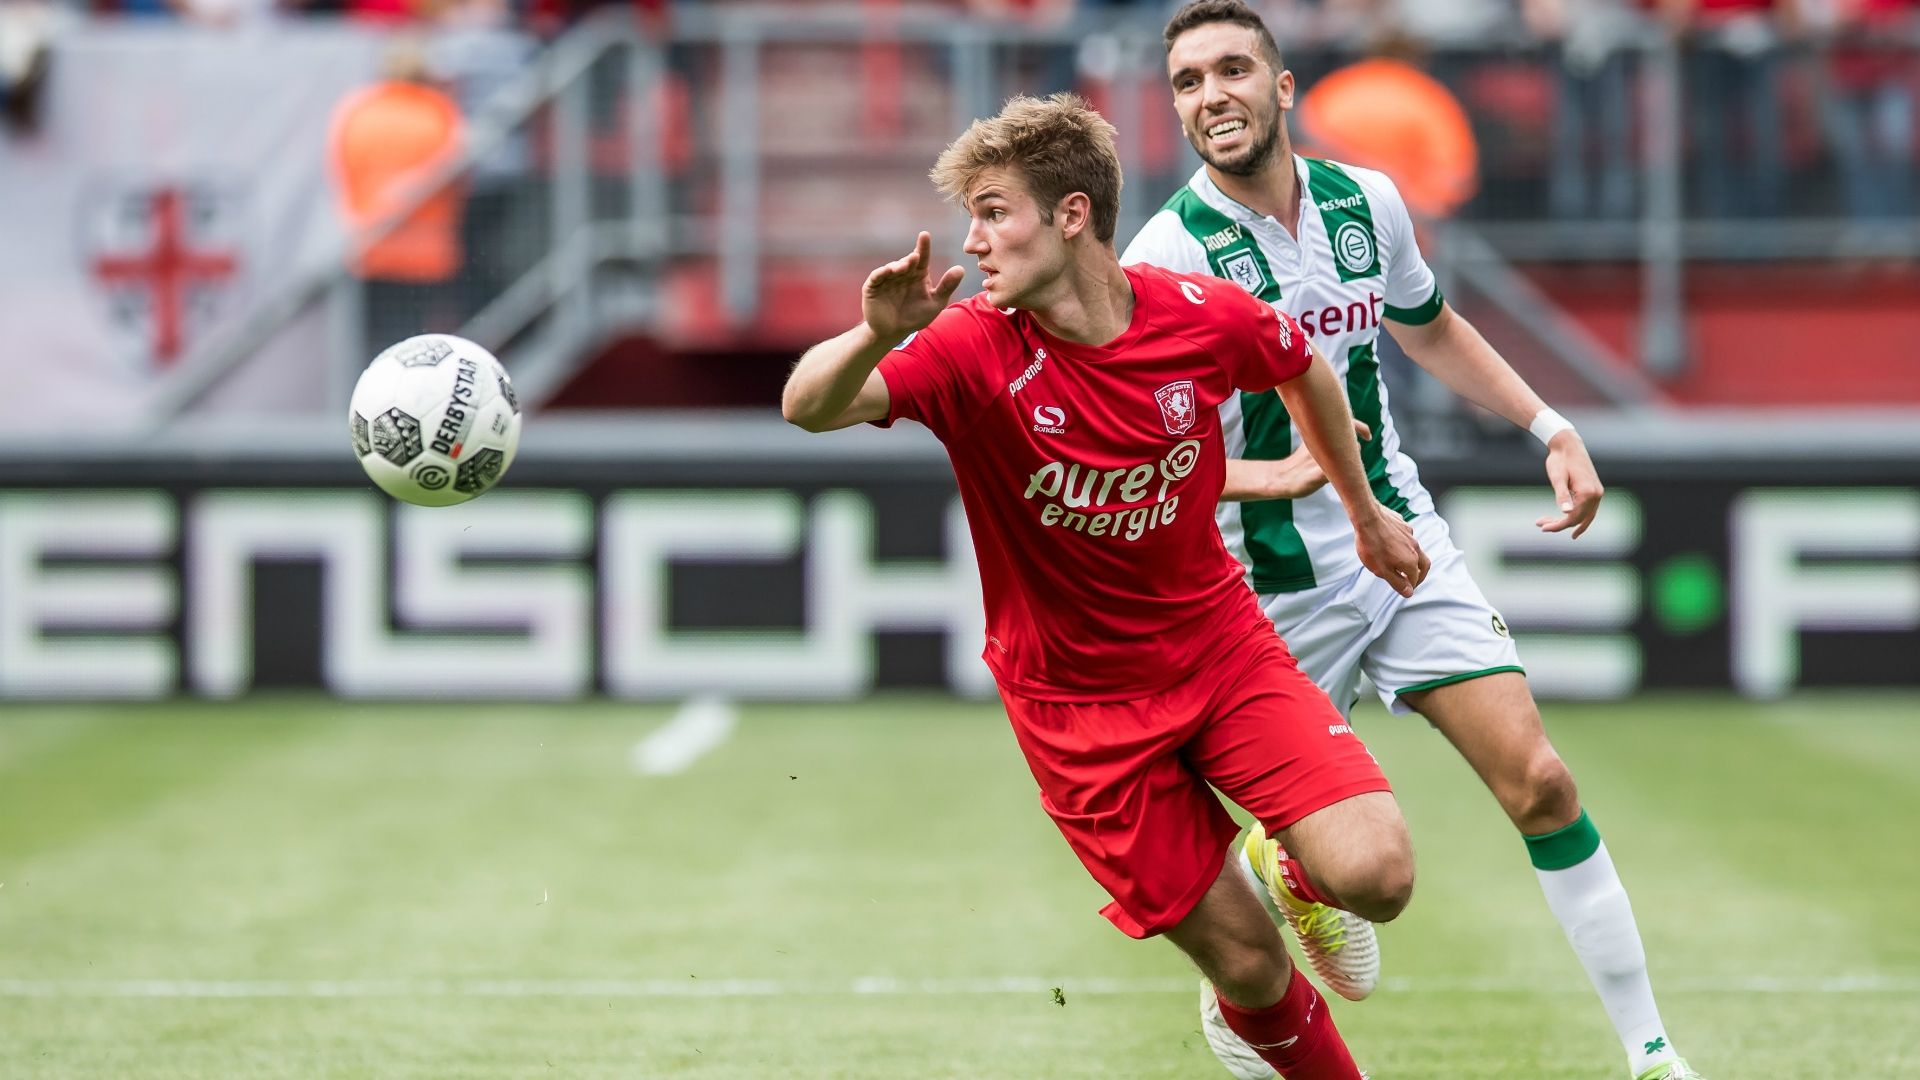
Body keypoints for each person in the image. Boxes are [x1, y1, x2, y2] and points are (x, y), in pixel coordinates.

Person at [783, 92, 1430, 1080]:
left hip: (1221, 655)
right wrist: (875, 334)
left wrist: (1361, 506)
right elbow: (808, 408)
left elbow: (1306, 368)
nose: (976, 241)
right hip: (1079, 712)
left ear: (1072, 214)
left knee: (1378, 876)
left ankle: (1288, 868)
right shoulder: (970, 348)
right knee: (1251, 968)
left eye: (995, 212)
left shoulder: (1201, 317)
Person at [1120, 4, 1705, 1079]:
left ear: (1284, 88)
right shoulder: (1163, 256)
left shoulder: (1366, 200)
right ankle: (1286, 881)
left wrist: (1549, 424)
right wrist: (1284, 477)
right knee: (1367, 876)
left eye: (1233, 70)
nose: (1212, 97)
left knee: (1541, 783)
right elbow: (1144, 457)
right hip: (1270, 597)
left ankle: (1654, 1056)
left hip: (1402, 550)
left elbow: (1426, 324)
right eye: (1189, 81)